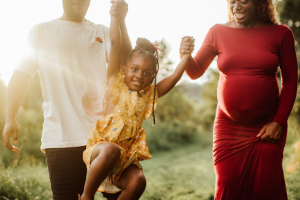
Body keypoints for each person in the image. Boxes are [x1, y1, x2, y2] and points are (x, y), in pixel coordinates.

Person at [2, 0, 131, 199]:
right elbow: (21, 75)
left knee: (119, 196)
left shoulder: (103, 31)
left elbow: (127, 63)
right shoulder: (40, 32)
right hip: (61, 139)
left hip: (105, 137)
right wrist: (10, 118)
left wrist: (121, 22)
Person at [180, 0, 298, 199]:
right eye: (232, 2)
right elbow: (195, 71)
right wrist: (185, 54)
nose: (236, 6)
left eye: (243, 1)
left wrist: (279, 122)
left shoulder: (281, 33)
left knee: (266, 190)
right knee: (228, 187)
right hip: (229, 128)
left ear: (259, 3)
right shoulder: (217, 32)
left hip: (267, 128)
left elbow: (291, 80)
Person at [79, 11, 195, 199]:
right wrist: (115, 16)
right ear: (124, 69)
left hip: (123, 160)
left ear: (152, 77)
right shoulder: (114, 83)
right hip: (100, 151)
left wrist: (186, 56)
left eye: (147, 73)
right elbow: (116, 44)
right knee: (111, 149)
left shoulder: (150, 95)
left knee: (139, 180)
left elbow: (173, 77)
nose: (140, 75)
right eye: (135, 69)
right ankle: (86, 196)